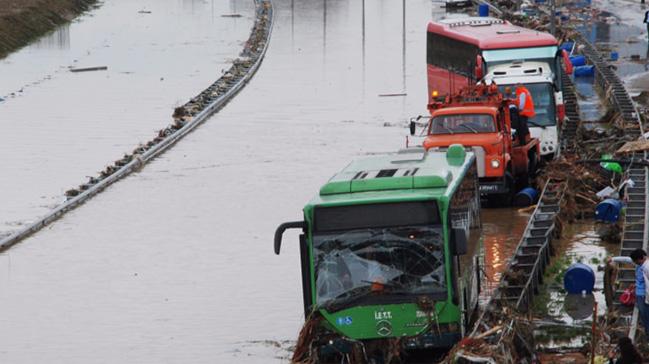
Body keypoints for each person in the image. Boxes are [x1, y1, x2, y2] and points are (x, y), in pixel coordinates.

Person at [608, 248, 649, 337]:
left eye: (635, 261)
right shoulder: (639, 263)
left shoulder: (646, 267)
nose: (634, 263)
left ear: (641, 258)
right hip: (639, 293)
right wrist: (613, 259)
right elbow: (627, 259)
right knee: (644, 315)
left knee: (645, 315)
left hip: (643, 295)